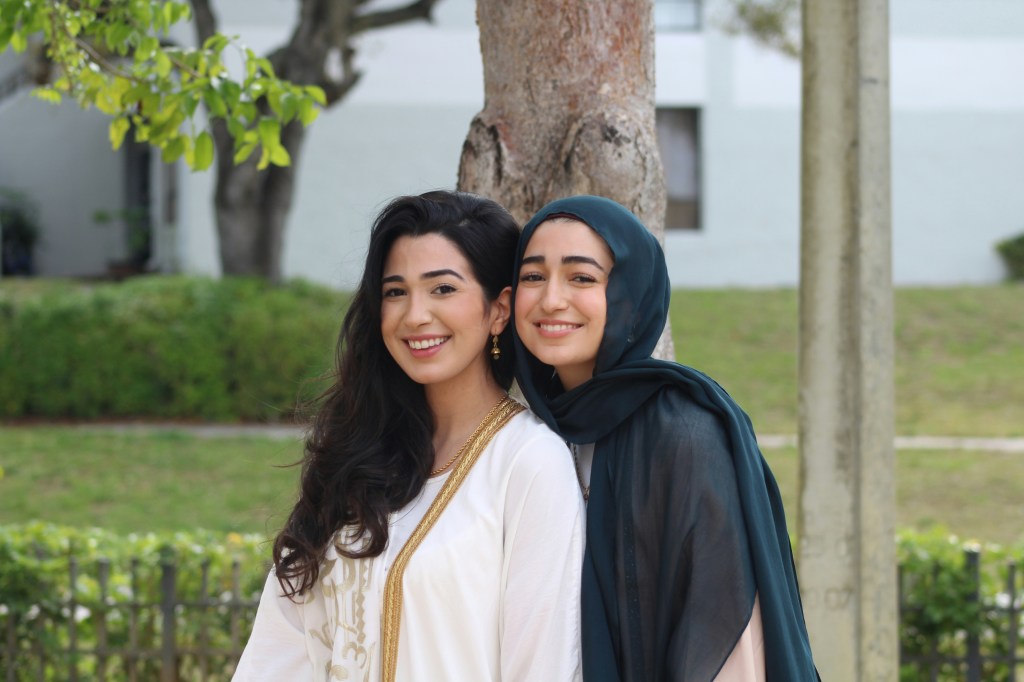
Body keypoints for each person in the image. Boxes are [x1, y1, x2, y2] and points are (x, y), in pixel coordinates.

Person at [234, 190, 585, 682]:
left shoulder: (528, 461)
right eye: (396, 292)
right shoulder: (359, 451)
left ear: (499, 309)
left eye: (442, 289)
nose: (415, 314)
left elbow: (543, 665)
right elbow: (281, 646)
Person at [511, 195, 819, 681]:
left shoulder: (683, 434)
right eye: (533, 276)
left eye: (581, 277)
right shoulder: (535, 431)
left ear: (631, 295)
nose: (551, 299)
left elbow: (724, 630)